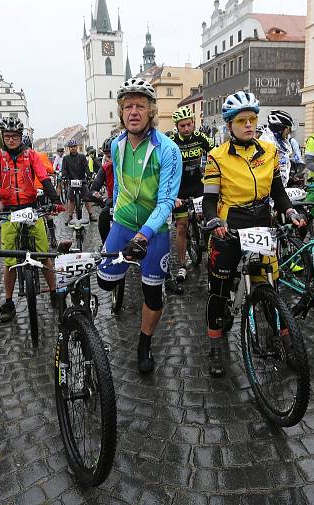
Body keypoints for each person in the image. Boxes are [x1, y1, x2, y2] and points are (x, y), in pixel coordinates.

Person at [202, 91, 305, 377]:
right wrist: (213, 221)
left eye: (252, 119)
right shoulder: (217, 157)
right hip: (229, 227)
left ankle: (285, 338)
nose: (249, 124)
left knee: (270, 285)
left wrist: (289, 212)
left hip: (261, 222)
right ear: (229, 125)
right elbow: (209, 199)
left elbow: (277, 190)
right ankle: (216, 346)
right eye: (242, 120)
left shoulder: (269, 151)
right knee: (219, 291)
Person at [97, 77, 182, 374]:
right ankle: (119, 280)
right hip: (122, 224)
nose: (133, 111)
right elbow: (119, 186)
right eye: (128, 106)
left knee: (152, 296)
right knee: (103, 282)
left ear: (151, 112)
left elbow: (166, 202)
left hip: (153, 231)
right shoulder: (117, 146)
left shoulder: (168, 150)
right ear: (121, 113)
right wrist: (115, 208)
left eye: (140, 106)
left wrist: (144, 235)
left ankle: (144, 342)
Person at [0, 117, 63, 323]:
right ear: (3, 137)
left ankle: (54, 292)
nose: (11, 140)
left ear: (20, 137)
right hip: (9, 211)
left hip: (31, 208)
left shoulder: (31, 155)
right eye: (7, 136)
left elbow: (44, 178)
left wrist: (55, 200)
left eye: (15, 136)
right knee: (9, 261)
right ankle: (8, 302)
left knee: (44, 254)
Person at [169, 106, 214, 282]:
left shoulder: (201, 138)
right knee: (181, 226)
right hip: (179, 188)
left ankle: (208, 249)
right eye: (182, 126)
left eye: (189, 124)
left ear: (193, 123)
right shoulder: (172, 142)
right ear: (177, 127)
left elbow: (215, 153)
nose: (186, 128)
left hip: (198, 184)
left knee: (207, 217)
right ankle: (181, 265)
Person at [61, 139, 95, 223]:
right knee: (71, 198)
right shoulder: (66, 158)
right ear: (69, 148)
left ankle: (91, 215)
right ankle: (70, 216)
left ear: (77, 147)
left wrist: (89, 176)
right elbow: (64, 169)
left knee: (87, 197)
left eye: (74, 147)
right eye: (71, 147)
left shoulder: (82, 157)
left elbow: (86, 167)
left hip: (82, 180)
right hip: (71, 180)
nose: (73, 148)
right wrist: (64, 177)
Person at [91, 135, 117, 243]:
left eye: (111, 154)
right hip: (112, 202)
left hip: (130, 204)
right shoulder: (105, 168)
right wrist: (103, 199)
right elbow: (93, 190)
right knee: (103, 216)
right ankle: (105, 244)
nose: (109, 158)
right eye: (106, 155)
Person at [259, 110, 296, 186]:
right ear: (279, 127)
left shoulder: (281, 141)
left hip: (280, 187)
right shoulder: (267, 142)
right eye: (288, 128)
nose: (289, 132)